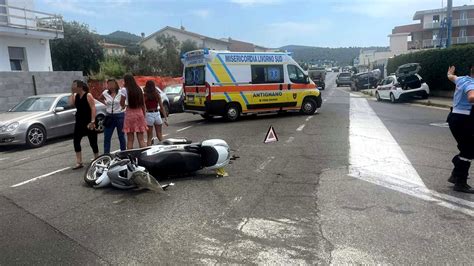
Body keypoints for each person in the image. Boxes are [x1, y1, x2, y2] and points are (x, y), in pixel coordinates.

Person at [446, 65, 474, 193]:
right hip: (464, 120)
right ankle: (460, 183)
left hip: (455, 118)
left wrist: (449, 73)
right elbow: (471, 97)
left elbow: (451, 77)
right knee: (468, 151)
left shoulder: (462, 79)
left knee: (466, 149)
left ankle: (455, 175)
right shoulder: (471, 84)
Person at [69, 80, 99, 170]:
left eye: (74, 86)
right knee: (76, 140)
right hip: (79, 121)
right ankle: (79, 162)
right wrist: (72, 93)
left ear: (80, 87)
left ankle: (97, 158)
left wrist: (93, 121)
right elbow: (71, 104)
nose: (73, 87)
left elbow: (93, 108)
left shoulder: (88, 95)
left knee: (92, 141)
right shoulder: (76, 96)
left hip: (88, 121)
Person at [120, 74, 148, 149]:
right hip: (139, 113)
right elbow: (143, 104)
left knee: (130, 139)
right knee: (141, 139)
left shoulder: (124, 90)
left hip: (130, 113)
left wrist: (124, 106)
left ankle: (130, 157)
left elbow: (121, 103)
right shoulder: (139, 89)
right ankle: (144, 155)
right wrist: (144, 115)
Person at [101, 79, 126, 153]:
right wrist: (105, 103)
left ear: (115, 84)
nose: (110, 86)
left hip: (119, 115)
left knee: (121, 136)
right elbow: (100, 98)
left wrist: (123, 107)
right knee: (107, 136)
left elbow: (124, 103)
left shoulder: (121, 92)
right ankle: (106, 154)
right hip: (109, 116)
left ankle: (123, 152)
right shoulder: (105, 93)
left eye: (112, 84)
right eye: (109, 84)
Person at [143, 80, 168, 146]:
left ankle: (149, 151)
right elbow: (162, 107)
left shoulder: (145, 95)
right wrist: (165, 118)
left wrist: (144, 117)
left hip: (149, 114)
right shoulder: (157, 94)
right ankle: (164, 148)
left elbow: (143, 107)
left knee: (149, 137)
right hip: (157, 114)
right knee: (159, 134)